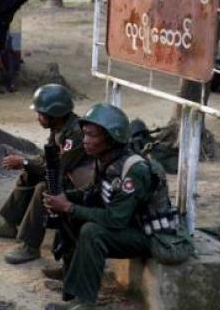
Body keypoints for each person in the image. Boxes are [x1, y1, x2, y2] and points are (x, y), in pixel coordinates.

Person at [43, 103, 171, 310]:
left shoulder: (133, 170)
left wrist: (68, 207)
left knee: (92, 231)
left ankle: (85, 303)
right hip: (127, 225)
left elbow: (116, 219)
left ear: (111, 138)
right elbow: (91, 192)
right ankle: (73, 288)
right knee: (70, 215)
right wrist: (63, 198)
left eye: (92, 135)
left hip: (147, 235)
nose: (85, 141)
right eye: (84, 134)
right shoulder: (105, 159)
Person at [0, 84, 91, 266]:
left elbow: (59, 168)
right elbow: (47, 158)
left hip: (81, 185)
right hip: (67, 176)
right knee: (29, 174)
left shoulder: (75, 135)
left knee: (44, 189)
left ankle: (30, 245)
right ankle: (9, 224)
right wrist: (27, 164)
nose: (38, 117)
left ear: (55, 114)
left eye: (41, 113)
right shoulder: (60, 128)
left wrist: (24, 162)